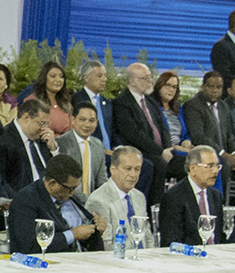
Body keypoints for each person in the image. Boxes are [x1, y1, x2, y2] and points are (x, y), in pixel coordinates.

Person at [8, 155, 105, 254]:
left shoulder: (70, 199)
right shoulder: (25, 201)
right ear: (52, 183)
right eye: (70, 188)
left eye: (75, 187)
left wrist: (96, 231)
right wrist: (72, 235)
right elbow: (29, 246)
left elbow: (84, 241)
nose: (73, 192)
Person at [112, 62, 175, 202]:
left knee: (187, 164)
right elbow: (134, 135)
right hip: (140, 151)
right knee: (159, 164)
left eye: (150, 77)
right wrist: (160, 152)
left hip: (161, 151)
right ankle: (154, 210)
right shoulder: (123, 102)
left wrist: (167, 148)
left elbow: (163, 127)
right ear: (132, 81)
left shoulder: (150, 101)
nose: (150, 81)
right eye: (145, 78)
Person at [0, 98, 59, 203]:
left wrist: (53, 148)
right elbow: (0, 181)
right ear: (26, 117)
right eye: (42, 123)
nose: (45, 128)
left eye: (47, 124)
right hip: (23, 201)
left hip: (50, 199)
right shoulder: (4, 140)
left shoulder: (42, 138)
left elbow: (56, 172)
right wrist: (20, 202)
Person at [157, 145, 221, 247]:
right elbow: (171, 243)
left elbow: (219, 237)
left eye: (217, 166)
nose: (215, 171)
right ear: (193, 168)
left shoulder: (215, 196)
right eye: (210, 166)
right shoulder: (174, 197)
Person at [86, 145, 148, 234]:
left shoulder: (139, 196)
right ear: (113, 169)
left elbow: (147, 236)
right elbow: (106, 245)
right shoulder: (99, 200)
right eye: (128, 169)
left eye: (137, 169)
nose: (133, 174)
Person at [60, 102, 110, 197]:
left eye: (91, 121)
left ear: (96, 123)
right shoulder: (62, 143)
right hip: (68, 200)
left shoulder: (98, 145)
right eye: (82, 120)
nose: (87, 125)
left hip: (93, 201)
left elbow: (102, 180)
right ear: (73, 120)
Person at [17, 61, 74, 137]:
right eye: (53, 76)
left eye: (61, 76)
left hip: (64, 146)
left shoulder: (66, 103)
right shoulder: (32, 101)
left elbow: (71, 132)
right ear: (44, 78)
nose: (58, 80)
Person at [70, 60, 116, 153]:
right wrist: (103, 151)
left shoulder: (107, 103)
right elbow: (79, 132)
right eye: (99, 76)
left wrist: (118, 148)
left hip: (111, 152)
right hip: (90, 151)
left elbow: (113, 130)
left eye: (105, 75)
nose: (104, 79)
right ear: (86, 78)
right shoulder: (76, 100)